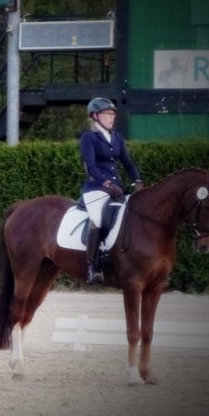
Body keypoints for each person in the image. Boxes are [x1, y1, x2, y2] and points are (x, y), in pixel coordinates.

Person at [80, 97, 143, 284]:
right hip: (96, 188)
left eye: (113, 114)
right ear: (95, 116)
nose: (112, 117)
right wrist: (106, 183)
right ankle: (92, 266)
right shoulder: (89, 137)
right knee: (97, 219)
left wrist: (137, 180)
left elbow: (127, 162)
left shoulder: (116, 137)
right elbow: (91, 166)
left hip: (116, 189)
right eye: (107, 113)